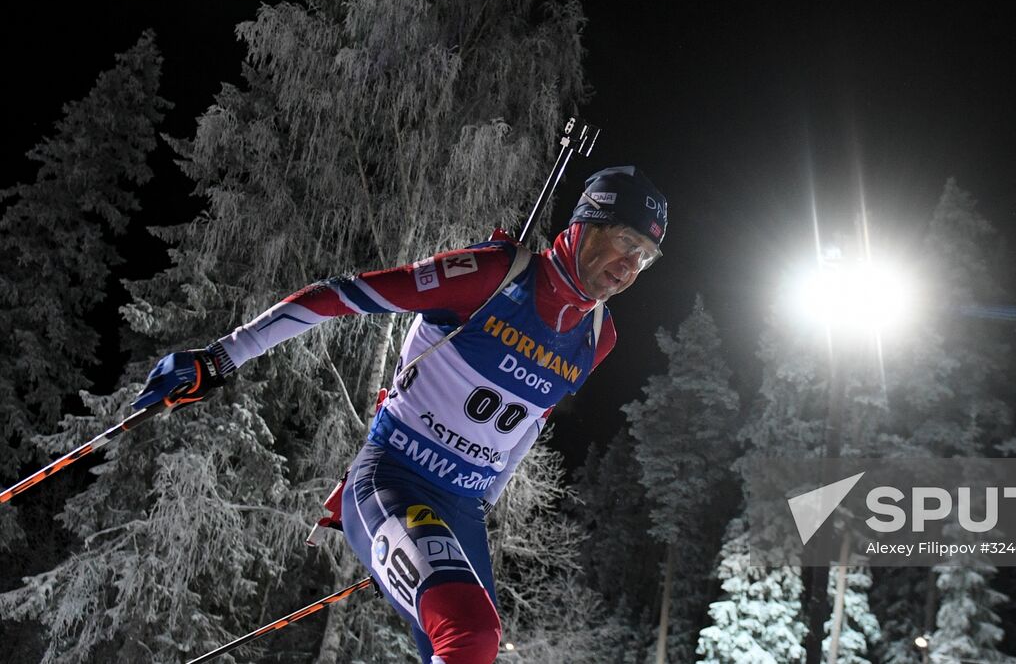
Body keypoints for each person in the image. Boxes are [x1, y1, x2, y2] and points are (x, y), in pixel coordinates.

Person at [133, 166, 667, 664]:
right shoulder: (494, 275)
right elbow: (343, 294)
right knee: (471, 634)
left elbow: (528, 426)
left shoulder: (600, 337)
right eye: (626, 242)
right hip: (394, 478)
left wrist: (476, 507)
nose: (630, 267)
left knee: (473, 644)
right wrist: (224, 356)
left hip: (461, 510)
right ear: (585, 224)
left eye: (645, 258)